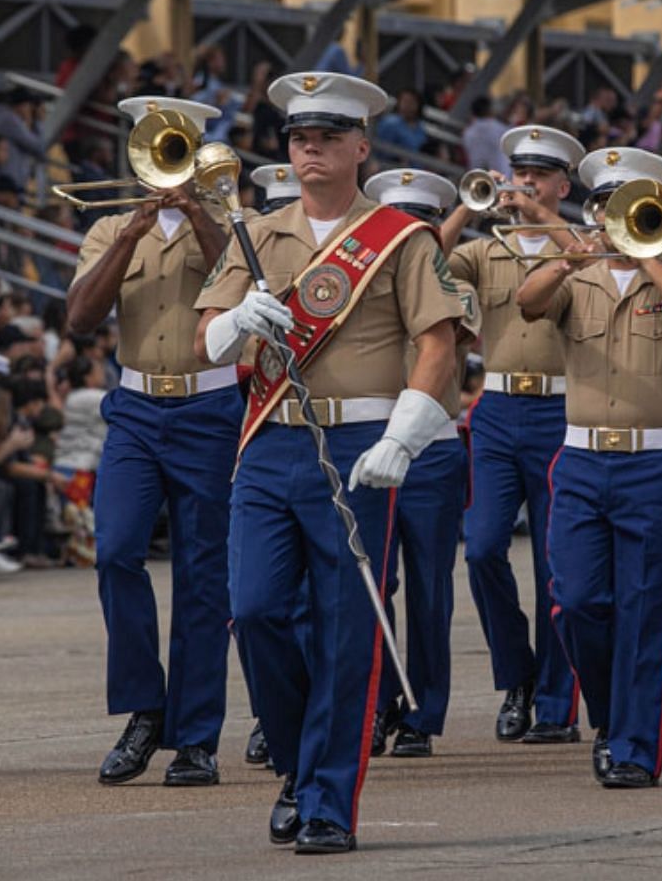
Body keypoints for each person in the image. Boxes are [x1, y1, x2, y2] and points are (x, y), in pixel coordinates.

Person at [195, 71, 462, 853]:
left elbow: (439, 343)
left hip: (361, 446)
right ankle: (297, 760)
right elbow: (206, 337)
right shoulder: (260, 232)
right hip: (272, 439)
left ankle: (327, 803)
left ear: (360, 146)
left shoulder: (400, 238)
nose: (310, 149)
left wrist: (404, 438)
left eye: (327, 137)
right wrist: (238, 316)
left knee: (348, 631)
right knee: (255, 610)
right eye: (298, 138)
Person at [514, 146, 662, 789]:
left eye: (633, 206)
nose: (616, 217)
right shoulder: (578, 274)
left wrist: (649, 256)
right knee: (576, 601)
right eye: (608, 205)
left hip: (657, 461)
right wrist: (570, 254)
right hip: (579, 458)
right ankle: (610, 714)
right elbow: (527, 302)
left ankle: (633, 748)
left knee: (646, 607)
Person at [65, 95, 237, 789]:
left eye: (176, 146)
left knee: (203, 577)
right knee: (116, 553)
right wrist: (134, 235)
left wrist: (195, 211)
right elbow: (79, 316)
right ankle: (144, 710)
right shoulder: (109, 227)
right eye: (154, 145)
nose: (163, 161)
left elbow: (240, 277)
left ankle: (195, 737)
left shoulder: (230, 222)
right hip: (136, 407)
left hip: (211, 408)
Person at [438, 124, 584, 745]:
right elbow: (424, 264)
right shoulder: (485, 247)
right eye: (519, 172)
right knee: (483, 547)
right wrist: (466, 208)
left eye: (539, 175)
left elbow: (589, 256)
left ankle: (555, 701)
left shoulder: (578, 243)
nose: (525, 183)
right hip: (497, 409)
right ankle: (516, 676)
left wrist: (541, 217)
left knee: (557, 565)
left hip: (560, 411)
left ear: (561, 183)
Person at [363, 168, 473, 759]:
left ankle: (422, 713)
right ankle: (375, 705)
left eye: (417, 224)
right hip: (369, 439)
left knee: (429, 589)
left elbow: (450, 333)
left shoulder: (452, 283)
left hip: (431, 451)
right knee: (371, 585)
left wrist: (428, 246)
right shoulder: (359, 286)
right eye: (395, 222)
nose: (405, 234)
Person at [462, 96, 510, 176]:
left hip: (477, 176)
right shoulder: (501, 129)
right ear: (489, 110)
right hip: (500, 175)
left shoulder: (467, 133)